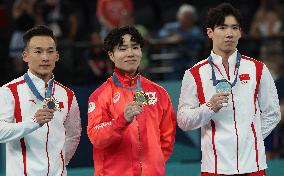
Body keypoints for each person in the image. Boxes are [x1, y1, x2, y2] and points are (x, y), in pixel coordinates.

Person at [177, 3, 280, 176]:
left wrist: (250, 139)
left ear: (240, 32)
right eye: (222, 27)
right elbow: (183, 120)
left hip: (253, 166)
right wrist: (208, 108)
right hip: (215, 167)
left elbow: (273, 113)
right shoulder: (194, 74)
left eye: (234, 28)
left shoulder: (258, 69)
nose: (229, 33)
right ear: (210, 32)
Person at [87, 26, 176, 176]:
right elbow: (97, 137)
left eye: (135, 47)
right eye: (122, 49)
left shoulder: (159, 93)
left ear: (141, 52)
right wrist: (122, 120)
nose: (130, 53)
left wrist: (153, 165)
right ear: (111, 55)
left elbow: (167, 138)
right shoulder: (100, 95)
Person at [0, 25, 81, 175]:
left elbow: (74, 135)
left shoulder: (68, 95)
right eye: (38, 51)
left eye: (50, 51)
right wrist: (33, 122)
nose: (45, 57)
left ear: (57, 56)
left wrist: (59, 164)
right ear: (25, 56)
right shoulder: (9, 91)